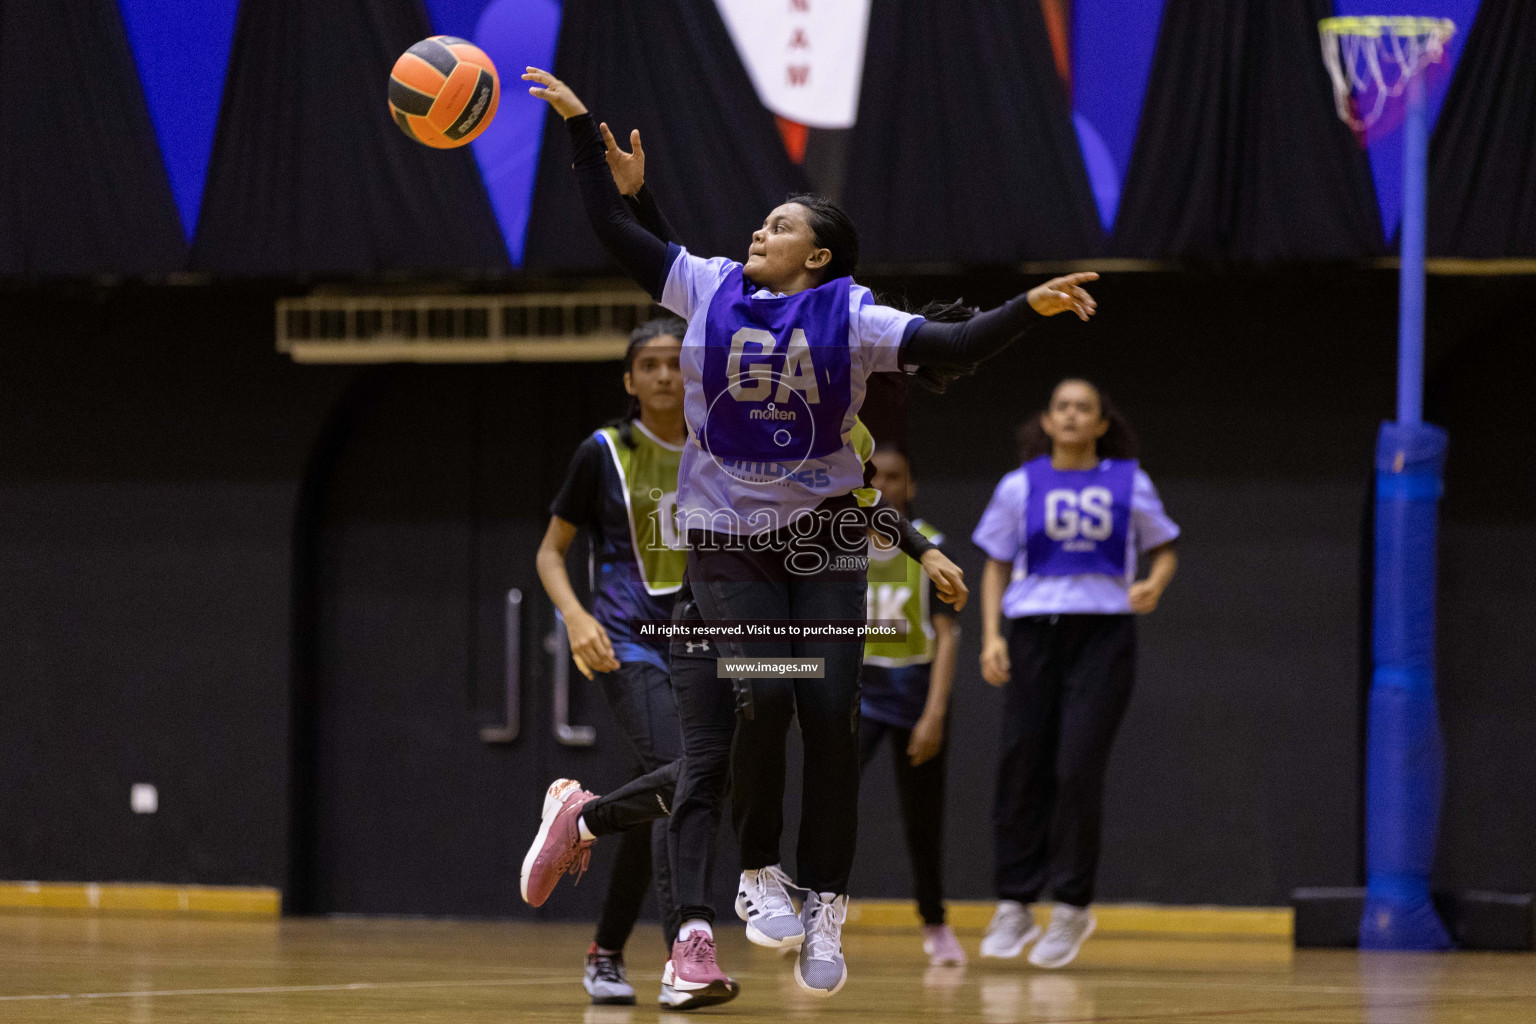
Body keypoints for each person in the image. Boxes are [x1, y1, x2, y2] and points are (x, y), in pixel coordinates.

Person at [524, 65, 1098, 998]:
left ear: (819, 257)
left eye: (782, 225)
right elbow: (615, 228)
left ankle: (825, 904)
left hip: (826, 540)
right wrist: (582, 129)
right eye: (763, 221)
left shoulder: (856, 319)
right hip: (725, 543)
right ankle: (756, 878)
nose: (762, 229)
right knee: (766, 700)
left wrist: (1026, 309)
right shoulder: (706, 286)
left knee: (833, 716)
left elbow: (951, 347)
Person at [971, 379, 1179, 969]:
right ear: (1046, 418)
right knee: (1022, 764)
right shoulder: (1020, 485)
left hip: (1104, 633)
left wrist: (1153, 586)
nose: (1071, 415)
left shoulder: (1128, 481)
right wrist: (991, 637)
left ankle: (1070, 906)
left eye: (1083, 407)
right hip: (1035, 632)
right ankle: (1014, 901)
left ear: (1101, 423)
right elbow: (996, 564)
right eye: (1061, 405)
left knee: (1077, 767)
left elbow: (1165, 548)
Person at [531, 318, 689, 1006]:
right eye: (649, 365)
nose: (663, 375)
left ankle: (605, 949)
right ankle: (687, 949)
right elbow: (549, 552)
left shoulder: (720, 450)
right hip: (623, 640)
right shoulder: (603, 452)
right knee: (687, 782)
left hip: (701, 646)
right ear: (630, 380)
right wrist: (576, 617)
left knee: (651, 798)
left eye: (675, 363)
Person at [859, 443, 966, 966]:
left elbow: (948, 636)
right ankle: (814, 916)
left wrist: (934, 714)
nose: (884, 487)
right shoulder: (838, 548)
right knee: (830, 809)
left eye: (895, 478)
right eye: (874, 478)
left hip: (913, 695)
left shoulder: (933, 550)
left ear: (911, 486)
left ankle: (936, 923)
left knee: (922, 820)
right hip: (859, 694)